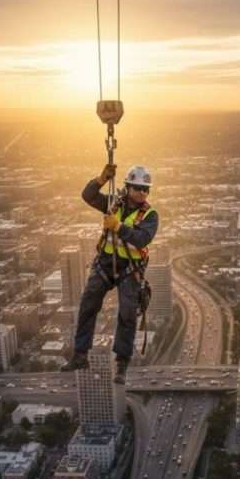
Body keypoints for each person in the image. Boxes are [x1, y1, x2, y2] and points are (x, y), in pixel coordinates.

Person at [61, 163, 159, 382]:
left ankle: (122, 364)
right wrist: (101, 179)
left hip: (130, 268)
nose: (142, 192)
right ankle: (80, 354)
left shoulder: (151, 215)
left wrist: (118, 227)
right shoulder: (113, 203)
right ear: (128, 186)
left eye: (145, 189)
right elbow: (88, 195)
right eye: (137, 188)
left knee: (127, 312)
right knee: (88, 303)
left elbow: (142, 238)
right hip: (106, 263)